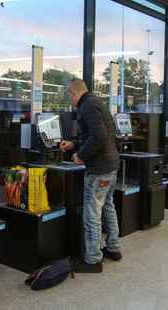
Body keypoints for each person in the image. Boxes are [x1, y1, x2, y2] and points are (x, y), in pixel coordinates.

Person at [60, 79, 122, 273]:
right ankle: (113, 248)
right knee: (108, 207)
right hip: (111, 166)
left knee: (92, 214)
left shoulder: (87, 107)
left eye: (69, 96)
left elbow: (99, 136)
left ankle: (93, 259)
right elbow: (96, 134)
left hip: (99, 169)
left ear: (73, 93)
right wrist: (73, 144)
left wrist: (80, 156)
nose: (70, 101)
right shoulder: (97, 103)